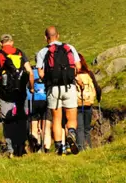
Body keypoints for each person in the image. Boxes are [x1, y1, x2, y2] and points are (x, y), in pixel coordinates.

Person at [35, 26, 81, 155]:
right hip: (69, 87)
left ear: (45, 37)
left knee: (56, 119)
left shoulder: (42, 52)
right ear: (58, 35)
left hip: (53, 88)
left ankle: (59, 147)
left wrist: (48, 79)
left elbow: (40, 73)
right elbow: (78, 66)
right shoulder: (69, 47)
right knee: (71, 118)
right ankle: (71, 133)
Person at [0, 34, 33, 157]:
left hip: (6, 94)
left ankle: (11, 149)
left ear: (1, 43)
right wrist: (31, 87)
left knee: (8, 121)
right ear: (12, 42)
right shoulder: (20, 53)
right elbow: (30, 72)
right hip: (21, 92)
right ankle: (21, 147)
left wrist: (1, 79)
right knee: (21, 119)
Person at [75, 54, 102, 151]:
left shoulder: (74, 75)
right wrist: (98, 97)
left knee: (79, 128)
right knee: (87, 128)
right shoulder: (89, 74)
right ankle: (89, 148)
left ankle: (80, 148)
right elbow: (97, 87)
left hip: (77, 104)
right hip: (88, 103)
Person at [27, 70, 52, 153]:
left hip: (34, 101)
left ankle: (36, 148)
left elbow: (28, 87)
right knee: (46, 128)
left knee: (34, 126)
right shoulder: (49, 71)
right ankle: (46, 149)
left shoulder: (32, 73)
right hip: (46, 101)